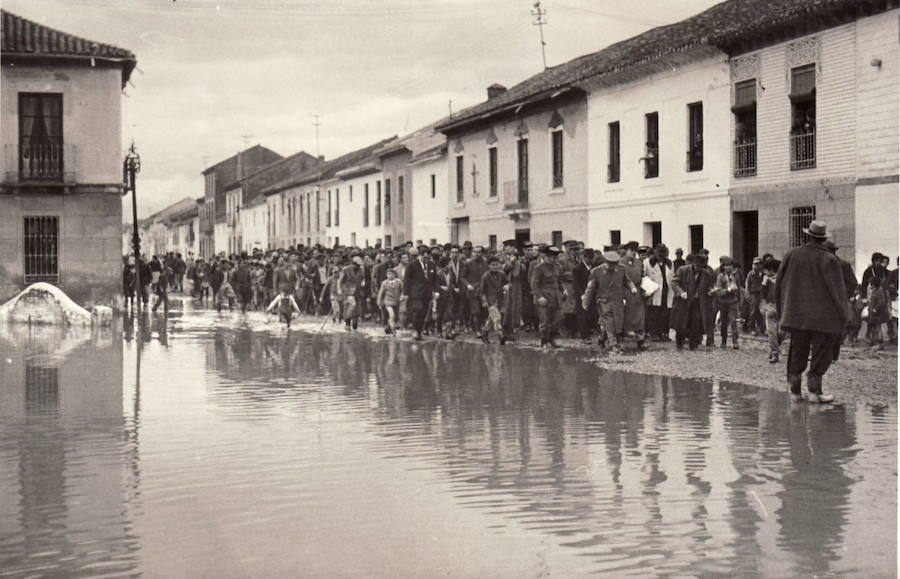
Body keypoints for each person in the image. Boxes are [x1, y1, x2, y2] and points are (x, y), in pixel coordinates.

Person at [775, 220, 849, 403]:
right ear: (823, 239)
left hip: (796, 316)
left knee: (797, 352)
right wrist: (844, 317)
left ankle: (795, 393)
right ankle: (815, 393)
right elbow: (837, 292)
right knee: (821, 354)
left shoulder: (791, 254)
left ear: (807, 236)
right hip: (822, 319)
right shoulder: (829, 259)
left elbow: (779, 284)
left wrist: (782, 312)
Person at [582, 250, 637, 352]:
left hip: (618, 301)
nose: (612, 267)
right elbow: (590, 289)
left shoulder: (621, 269)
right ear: (605, 262)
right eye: (610, 264)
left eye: (614, 264)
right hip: (603, 301)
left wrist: (632, 287)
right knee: (609, 321)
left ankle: (601, 340)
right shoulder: (596, 271)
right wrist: (585, 302)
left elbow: (627, 280)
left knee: (616, 323)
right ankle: (613, 344)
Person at [671, 252, 715, 350]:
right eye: (697, 266)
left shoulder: (706, 274)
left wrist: (710, 291)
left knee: (696, 322)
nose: (698, 269)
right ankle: (679, 342)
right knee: (681, 323)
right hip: (684, 301)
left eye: (701, 267)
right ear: (693, 263)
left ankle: (693, 344)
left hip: (698, 302)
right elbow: (674, 282)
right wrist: (681, 292)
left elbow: (709, 286)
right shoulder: (683, 270)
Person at [530, 245, 565, 348]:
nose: (551, 259)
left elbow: (558, 281)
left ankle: (551, 336)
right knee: (545, 320)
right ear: (545, 256)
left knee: (560, 317)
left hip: (556, 297)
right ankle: (544, 341)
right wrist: (540, 297)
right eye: (549, 257)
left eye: (554, 257)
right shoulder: (539, 268)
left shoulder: (557, 267)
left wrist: (564, 290)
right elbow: (534, 285)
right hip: (545, 298)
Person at [402, 247, 438, 340]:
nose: (426, 260)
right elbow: (407, 280)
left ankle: (419, 331)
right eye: (424, 258)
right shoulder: (412, 265)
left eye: (428, 258)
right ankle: (415, 330)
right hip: (416, 293)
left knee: (424, 312)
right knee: (418, 310)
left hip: (427, 293)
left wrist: (436, 291)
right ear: (420, 256)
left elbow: (435, 279)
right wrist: (406, 293)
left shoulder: (432, 265)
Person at [643, 244, 674, 341]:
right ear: (655, 252)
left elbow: (672, 277)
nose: (662, 255)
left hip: (667, 291)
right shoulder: (647, 262)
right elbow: (643, 276)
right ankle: (654, 333)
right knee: (654, 313)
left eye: (664, 253)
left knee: (666, 313)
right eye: (660, 253)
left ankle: (664, 333)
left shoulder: (670, 263)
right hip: (654, 291)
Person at [620, 241, 646, 350]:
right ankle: (619, 338)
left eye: (635, 251)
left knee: (640, 315)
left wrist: (644, 287)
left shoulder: (639, 263)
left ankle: (640, 339)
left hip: (637, 292)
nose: (633, 253)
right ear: (626, 251)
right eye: (631, 250)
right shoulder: (621, 262)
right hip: (625, 291)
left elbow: (642, 275)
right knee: (624, 315)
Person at [479, 256, 509, 344]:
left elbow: (508, 283)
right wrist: (484, 301)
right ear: (489, 266)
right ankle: (500, 335)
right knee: (497, 318)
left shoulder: (501, 274)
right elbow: (482, 291)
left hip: (500, 300)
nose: (495, 266)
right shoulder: (485, 276)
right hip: (490, 301)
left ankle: (484, 334)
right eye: (493, 265)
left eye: (496, 264)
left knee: (491, 320)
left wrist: (507, 286)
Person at [713, 257, 742, 349]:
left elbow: (739, 289)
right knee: (724, 322)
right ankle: (723, 340)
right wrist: (728, 290)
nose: (729, 268)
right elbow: (719, 291)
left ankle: (735, 341)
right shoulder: (721, 277)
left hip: (733, 302)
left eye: (731, 266)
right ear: (724, 267)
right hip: (723, 302)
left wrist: (739, 301)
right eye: (727, 266)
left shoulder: (736, 276)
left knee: (733, 321)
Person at [760, 258, 783, 363]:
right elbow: (763, 295)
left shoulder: (782, 279)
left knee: (782, 332)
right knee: (771, 331)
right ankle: (775, 352)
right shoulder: (766, 280)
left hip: (782, 306)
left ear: (771, 269)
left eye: (766, 270)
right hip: (770, 306)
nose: (764, 272)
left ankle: (774, 347)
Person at [377, 268, 402, 334]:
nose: (390, 276)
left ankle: (389, 327)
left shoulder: (399, 282)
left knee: (395, 316)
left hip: (397, 302)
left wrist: (402, 296)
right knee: (392, 315)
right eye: (388, 274)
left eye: (392, 274)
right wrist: (379, 302)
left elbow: (403, 290)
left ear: (394, 275)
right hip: (388, 302)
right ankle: (393, 330)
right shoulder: (384, 283)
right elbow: (381, 293)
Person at [744, 257, 765, 335]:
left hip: (761, 294)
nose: (755, 266)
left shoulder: (763, 274)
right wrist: (747, 295)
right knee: (753, 311)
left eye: (757, 264)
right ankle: (752, 327)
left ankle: (762, 328)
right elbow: (747, 285)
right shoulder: (750, 274)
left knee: (761, 312)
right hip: (753, 294)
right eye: (754, 264)